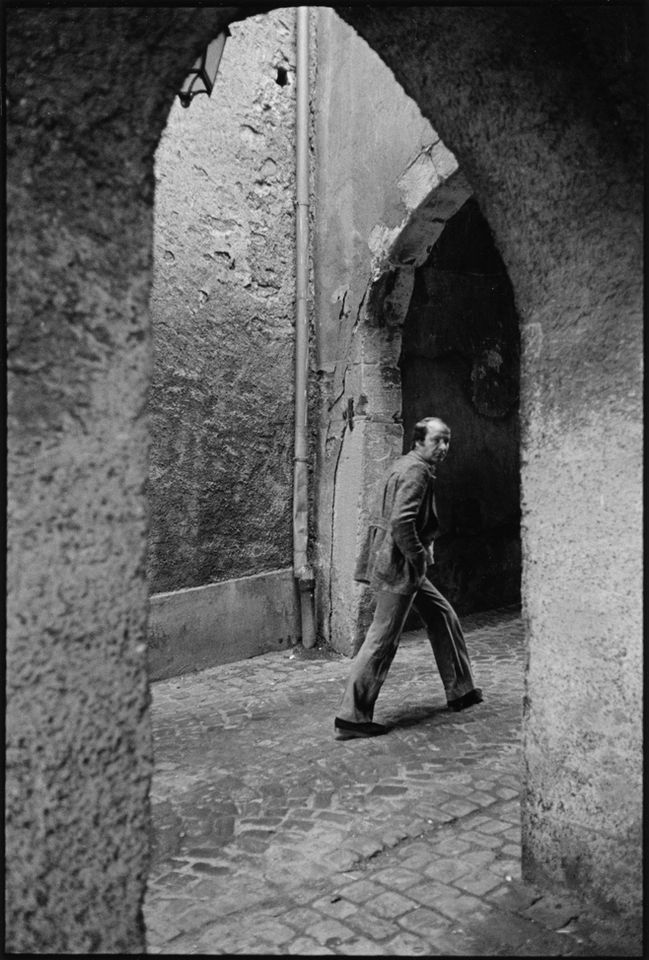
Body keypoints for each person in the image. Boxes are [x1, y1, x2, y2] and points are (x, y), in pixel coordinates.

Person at [334, 416, 482, 740]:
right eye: (437, 441)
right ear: (419, 442)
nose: (443, 448)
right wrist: (418, 555)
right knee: (382, 637)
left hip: (395, 561)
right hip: (400, 566)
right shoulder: (416, 471)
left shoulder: (406, 464)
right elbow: (402, 522)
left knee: (442, 614)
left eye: (447, 441)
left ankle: (461, 690)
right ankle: (352, 717)